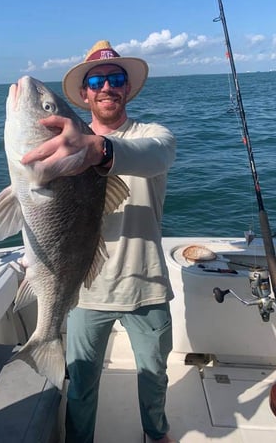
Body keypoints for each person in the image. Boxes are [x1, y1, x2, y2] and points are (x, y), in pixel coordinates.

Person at [22, 40, 176, 443]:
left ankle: (156, 434)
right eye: (97, 79)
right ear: (85, 94)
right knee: (82, 385)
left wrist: (98, 149)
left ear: (127, 89)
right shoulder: (60, 148)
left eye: (116, 78)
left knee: (155, 375)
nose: (107, 86)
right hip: (84, 290)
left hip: (148, 285)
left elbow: (156, 155)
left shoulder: (153, 135)